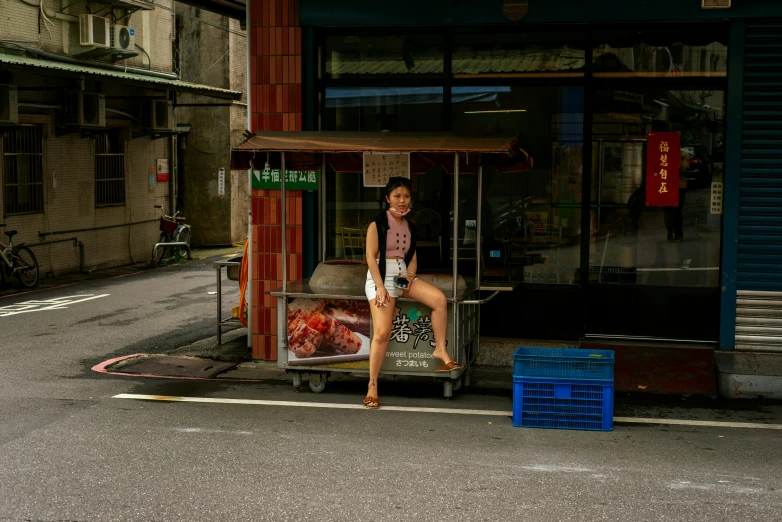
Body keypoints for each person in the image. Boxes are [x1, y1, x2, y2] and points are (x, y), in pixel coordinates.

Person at [362, 176, 462, 409]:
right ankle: (372, 386)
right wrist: (379, 287)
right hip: (380, 278)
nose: (402, 200)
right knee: (382, 333)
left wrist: (410, 275)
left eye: (406, 196)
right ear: (388, 198)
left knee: (438, 299)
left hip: (402, 278)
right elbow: (369, 257)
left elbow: (412, 257)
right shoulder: (377, 223)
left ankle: (440, 350)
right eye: (397, 196)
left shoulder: (410, 226)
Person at [664, 150, 691, 243]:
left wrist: (677, 157)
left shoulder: (683, 154)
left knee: (676, 210)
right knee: (667, 210)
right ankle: (670, 231)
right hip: (666, 185)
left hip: (679, 186)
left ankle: (678, 234)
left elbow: (684, 168)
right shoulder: (664, 151)